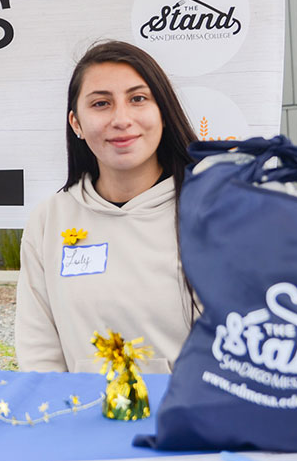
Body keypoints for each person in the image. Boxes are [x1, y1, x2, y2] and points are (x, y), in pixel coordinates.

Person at [15, 40, 198, 374]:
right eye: (101, 103)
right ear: (77, 124)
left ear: (162, 112)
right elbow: (38, 351)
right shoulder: (49, 220)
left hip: (191, 421)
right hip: (80, 421)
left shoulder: (212, 209)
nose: (122, 119)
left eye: (138, 99)